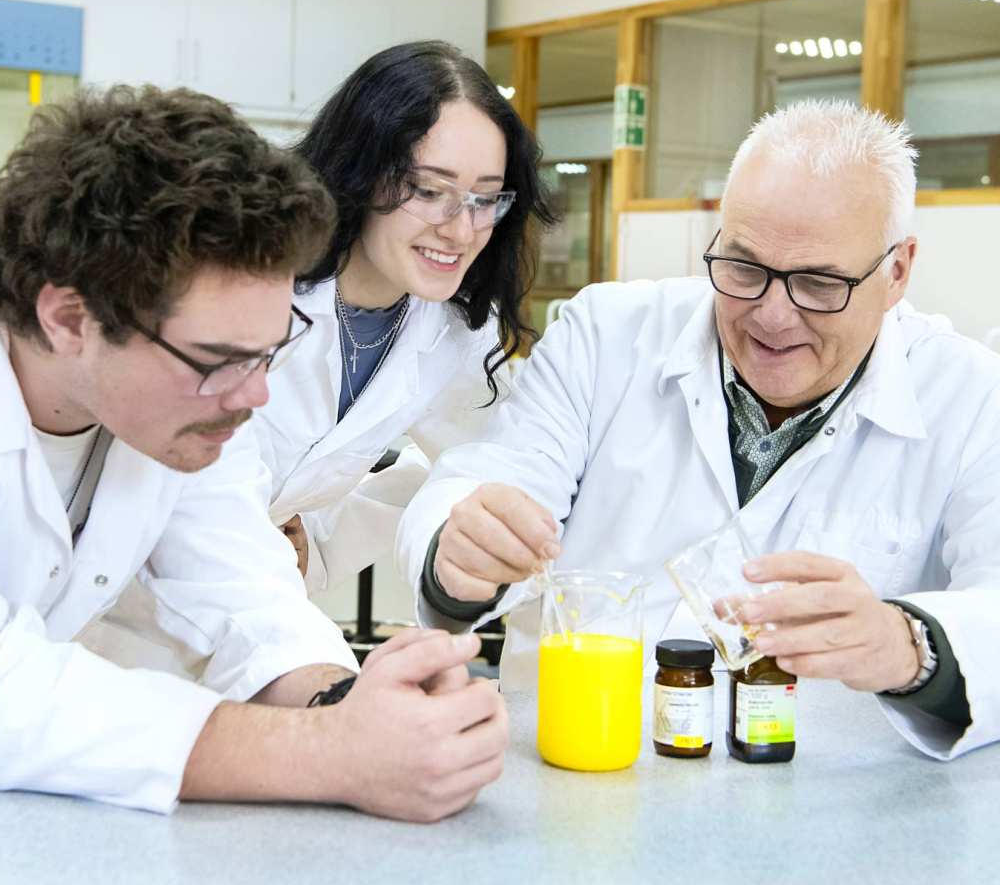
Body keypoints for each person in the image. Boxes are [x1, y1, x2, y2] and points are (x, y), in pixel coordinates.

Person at [0, 85, 507, 819]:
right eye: (220, 361)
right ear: (67, 317)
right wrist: (330, 752)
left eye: (267, 352)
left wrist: (351, 702)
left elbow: (239, 577)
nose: (254, 397)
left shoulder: (175, 399)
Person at [397, 98, 1000, 762]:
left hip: (827, 811)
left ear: (897, 272)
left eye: (819, 283)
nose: (772, 316)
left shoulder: (970, 398)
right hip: (575, 777)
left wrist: (908, 645)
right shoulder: (608, 336)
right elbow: (489, 483)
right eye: (743, 267)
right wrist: (458, 554)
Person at [254, 40, 554, 590]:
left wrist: (307, 547)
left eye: (484, 198)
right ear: (361, 172)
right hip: (112, 590)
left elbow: (488, 468)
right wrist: (255, 543)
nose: (461, 230)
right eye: (428, 189)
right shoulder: (253, 284)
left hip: (250, 603)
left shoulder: (454, 330)